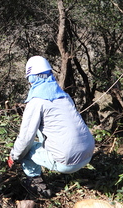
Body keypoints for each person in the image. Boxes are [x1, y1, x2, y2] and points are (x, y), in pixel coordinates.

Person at [8, 56, 95, 198]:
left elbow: (25, 139)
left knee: (25, 151)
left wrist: (14, 156)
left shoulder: (36, 102)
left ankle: (37, 185)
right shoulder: (64, 96)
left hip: (67, 161)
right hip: (88, 154)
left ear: (32, 78)